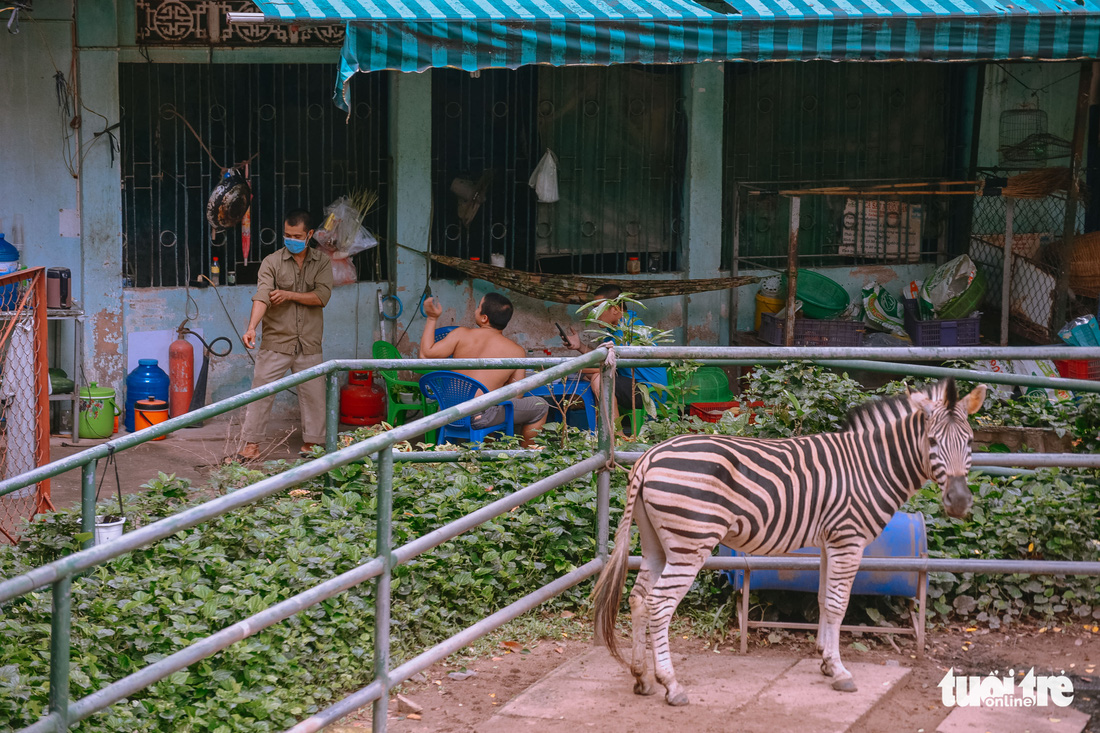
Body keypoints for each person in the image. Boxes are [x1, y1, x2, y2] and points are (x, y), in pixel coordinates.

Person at [237, 209, 334, 461]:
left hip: (309, 342)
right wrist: (251, 327)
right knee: (261, 393)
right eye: (287, 234)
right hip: (276, 341)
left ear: (309, 235)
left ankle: (313, 442)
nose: (291, 239)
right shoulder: (272, 262)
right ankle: (251, 444)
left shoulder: (321, 262)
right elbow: (261, 296)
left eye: (297, 235)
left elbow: (322, 297)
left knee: (314, 395)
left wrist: (289, 294)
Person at [419, 292, 549, 448]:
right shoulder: (516, 351)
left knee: (494, 406)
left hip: (448, 411)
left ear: (484, 318)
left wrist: (432, 318)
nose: (475, 310)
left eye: (478, 307)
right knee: (540, 406)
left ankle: (487, 448)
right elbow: (517, 394)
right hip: (481, 416)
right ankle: (526, 457)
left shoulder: (460, 334)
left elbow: (425, 356)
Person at [563, 284, 668, 433]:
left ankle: (614, 437)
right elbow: (603, 360)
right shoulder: (619, 327)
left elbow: (602, 367)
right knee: (592, 375)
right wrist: (579, 346)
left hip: (648, 392)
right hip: (635, 386)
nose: (594, 314)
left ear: (615, 309)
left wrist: (563, 369)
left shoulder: (626, 331)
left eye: (598, 308)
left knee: (598, 379)